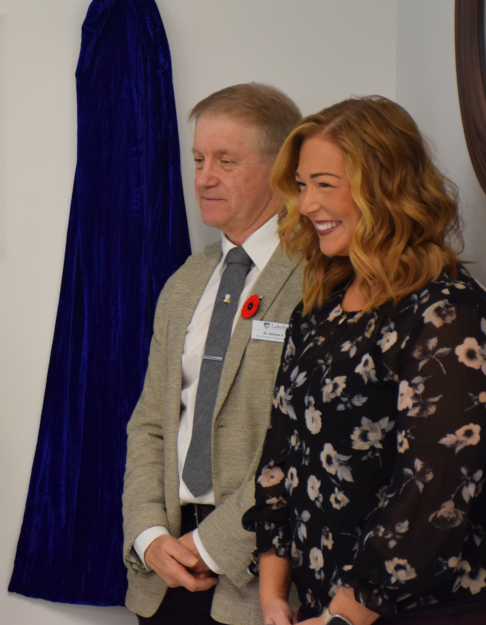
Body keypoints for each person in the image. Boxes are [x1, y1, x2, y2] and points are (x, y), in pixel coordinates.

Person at [244, 96, 486, 625]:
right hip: (313, 608)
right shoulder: (321, 305)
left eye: (324, 184)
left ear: (386, 188)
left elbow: (435, 488)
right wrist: (273, 597)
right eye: (303, 186)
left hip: (408, 611)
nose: (306, 205)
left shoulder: (445, 312)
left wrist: (347, 614)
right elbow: (280, 455)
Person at [123, 83, 303, 625]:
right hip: (165, 574)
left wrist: (215, 543)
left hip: (261, 579)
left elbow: (306, 445)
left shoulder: (321, 279)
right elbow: (150, 423)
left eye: (226, 160)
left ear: (281, 169)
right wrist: (150, 535)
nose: (203, 176)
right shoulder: (186, 281)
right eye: (199, 158)